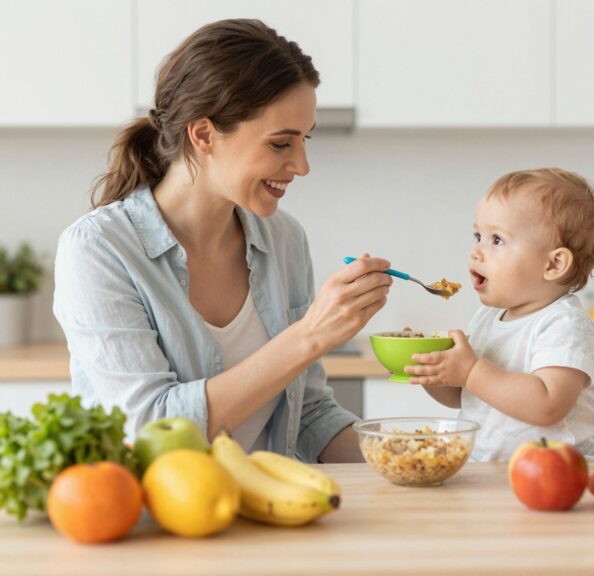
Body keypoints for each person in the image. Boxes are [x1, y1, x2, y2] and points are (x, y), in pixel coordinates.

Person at [53, 19, 392, 463]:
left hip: (269, 500)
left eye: (304, 140)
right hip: (151, 506)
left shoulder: (285, 239)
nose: (302, 165)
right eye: (280, 144)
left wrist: (404, 458)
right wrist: (309, 336)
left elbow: (307, 414)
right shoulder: (99, 249)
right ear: (203, 134)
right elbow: (150, 427)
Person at [405, 168, 594, 461]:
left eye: (496, 240)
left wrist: (471, 371)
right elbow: (465, 395)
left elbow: (547, 405)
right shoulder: (487, 318)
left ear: (553, 264)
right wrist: (431, 371)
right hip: (486, 472)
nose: (476, 251)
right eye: (478, 235)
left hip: (554, 475)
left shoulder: (565, 325)